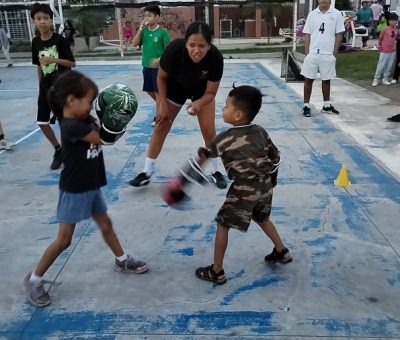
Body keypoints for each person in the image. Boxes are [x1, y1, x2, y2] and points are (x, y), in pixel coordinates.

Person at [23, 70, 148, 307]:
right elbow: (104, 139)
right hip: (74, 189)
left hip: (91, 185)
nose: (92, 107)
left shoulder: (83, 119)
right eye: (89, 101)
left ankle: (121, 259)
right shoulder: (71, 126)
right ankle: (34, 278)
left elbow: (99, 127)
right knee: (64, 240)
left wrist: (108, 112)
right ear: (71, 100)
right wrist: (118, 120)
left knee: (105, 224)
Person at [194, 85, 292, 285]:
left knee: (223, 224)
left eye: (226, 106)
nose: (223, 108)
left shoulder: (223, 138)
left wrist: (199, 160)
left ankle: (217, 271)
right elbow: (275, 157)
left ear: (238, 115)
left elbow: (206, 156)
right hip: (265, 185)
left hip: (243, 189)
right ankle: (281, 251)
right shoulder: (260, 132)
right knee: (262, 217)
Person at [128, 21, 227, 189]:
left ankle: (216, 171)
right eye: (192, 45)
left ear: (209, 46)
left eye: (202, 46)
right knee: (161, 126)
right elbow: (161, 77)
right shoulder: (174, 50)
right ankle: (147, 172)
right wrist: (162, 105)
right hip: (175, 88)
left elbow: (211, 93)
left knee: (209, 131)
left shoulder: (216, 58)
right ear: (186, 42)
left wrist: (198, 103)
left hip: (202, 92)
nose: (196, 50)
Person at [31, 3, 75, 170]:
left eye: (46, 18)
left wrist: (54, 60)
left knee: (65, 123)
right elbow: (38, 66)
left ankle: (70, 153)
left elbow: (72, 63)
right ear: (34, 21)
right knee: (42, 122)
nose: (42, 22)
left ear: (51, 20)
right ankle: (58, 149)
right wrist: (39, 85)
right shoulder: (35, 42)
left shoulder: (59, 40)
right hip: (45, 88)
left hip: (62, 87)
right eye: (39, 19)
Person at [300, 0, 345, 117]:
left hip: (327, 53)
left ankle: (326, 105)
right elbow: (307, 34)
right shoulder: (312, 14)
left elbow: (339, 35)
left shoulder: (336, 14)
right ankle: (306, 106)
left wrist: (334, 53)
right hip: (313, 52)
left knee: (326, 80)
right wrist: (307, 53)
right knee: (308, 79)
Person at [132, 5, 170, 127]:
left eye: (149, 15)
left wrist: (159, 60)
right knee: (149, 90)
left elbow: (169, 51)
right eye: (145, 16)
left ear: (157, 17)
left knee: (158, 93)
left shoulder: (163, 33)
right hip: (146, 67)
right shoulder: (144, 31)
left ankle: (158, 116)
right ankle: (164, 104)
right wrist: (140, 28)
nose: (146, 18)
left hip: (158, 69)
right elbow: (134, 43)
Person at [372, 13, 398, 87]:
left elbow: (395, 39)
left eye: (396, 20)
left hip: (393, 50)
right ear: (389, 21)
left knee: (389, 65)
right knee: (381, 65)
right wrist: (380, 46)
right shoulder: (385, 29)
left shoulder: (396, 30)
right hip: (385, 50)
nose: (394, 22)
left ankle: (385, 78)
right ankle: (376, 79)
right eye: (393, 20)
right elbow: (380, 38)